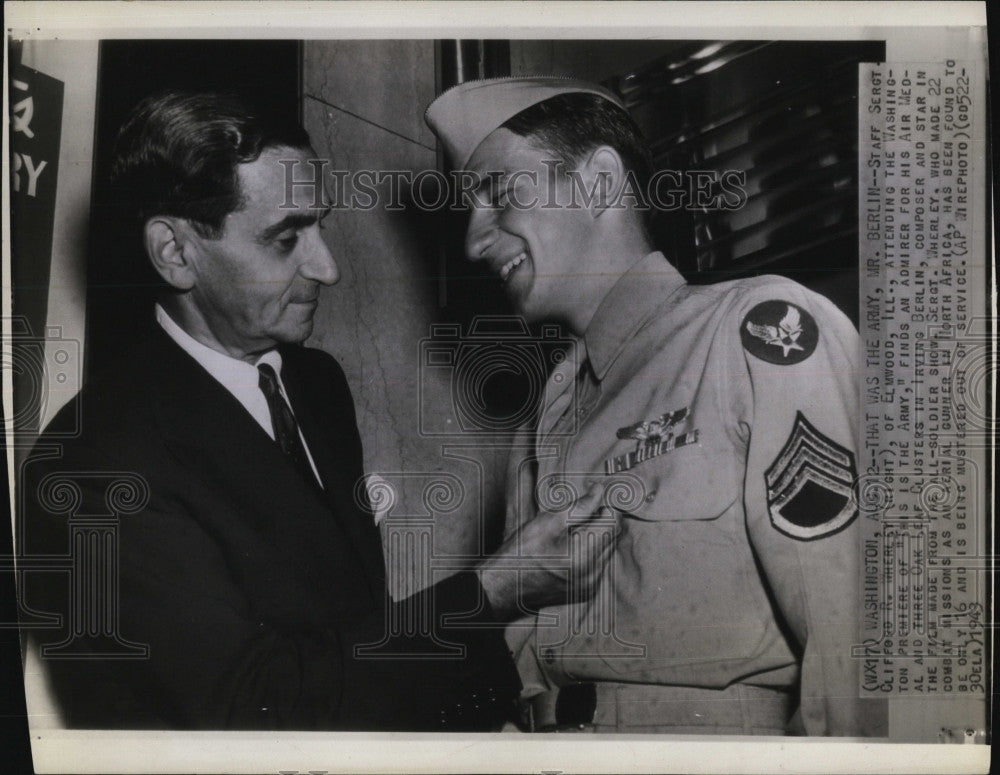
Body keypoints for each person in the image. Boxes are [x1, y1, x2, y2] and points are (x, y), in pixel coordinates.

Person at [19, 90, 612, 731]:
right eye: (285, 238)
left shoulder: (314, 384)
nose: (326, 267)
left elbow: (355, 638)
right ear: (175, 252)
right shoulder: (95, 461)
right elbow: (251, 710)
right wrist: (493, 590)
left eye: (320, 224)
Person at [425, 77, 887, 735]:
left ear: (599, 181)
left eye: (499, 193)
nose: (475, 240)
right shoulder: (544, 416)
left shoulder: (756, 331)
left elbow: (860, 651)